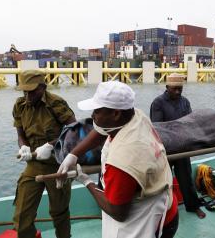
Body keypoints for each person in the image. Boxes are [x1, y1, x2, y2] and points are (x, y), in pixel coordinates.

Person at [58, 81, 178, 238]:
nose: (92, 115)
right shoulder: (135, 116)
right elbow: (102, 130)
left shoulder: (123, 159)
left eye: (97, 110)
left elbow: (118, 212)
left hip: (152, 224)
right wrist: (73, 154)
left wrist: (87, 181)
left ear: (115, 114)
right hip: (166, 203)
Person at [13, 70, 76, 238]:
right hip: (33, 165)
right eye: (24, 91)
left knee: (59, 212)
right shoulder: (20, 106)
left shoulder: (56, 103)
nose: (27, 95)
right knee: (21, 217)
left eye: (32, 91)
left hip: (58, 165)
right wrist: (23, 147)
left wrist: (52, 144)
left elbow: (75, 131)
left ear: (43, 87)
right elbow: (20, 135)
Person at [149, 73, 206, 219]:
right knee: (161, 181)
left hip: (182, 148)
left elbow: (190, 122)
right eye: (174, 89)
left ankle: (193, 206)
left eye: (180, 89)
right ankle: (160, 210)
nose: (178, 92)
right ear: (167, 87)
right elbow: (158, 127)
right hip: (165, 150)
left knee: (186, 178)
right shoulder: (158, 103)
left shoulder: (185, 102)